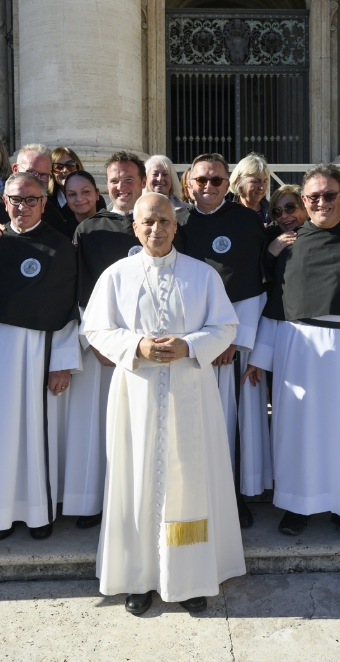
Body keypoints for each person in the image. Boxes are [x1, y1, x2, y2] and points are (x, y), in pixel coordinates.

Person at [84, 192, 244, 616]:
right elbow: (96, 328)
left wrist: (189, 345)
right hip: (135, 395)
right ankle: (138, 578)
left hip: (189, 391)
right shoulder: (116, 275)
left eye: (165, 222)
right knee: (136, 480)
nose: (157, 229)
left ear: (176, 226)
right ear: (135, 227)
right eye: (148, 222)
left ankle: (189, 577)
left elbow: (226, 326)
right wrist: (136, 345)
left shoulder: (202, 274)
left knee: (188, 481)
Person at [246, 163, 340, 542]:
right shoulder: (287, 245)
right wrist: (260, 357)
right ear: (304, 200)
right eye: (313, 197)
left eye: (329, 195)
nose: (321, 202)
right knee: (298, 431)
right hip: (297, 349)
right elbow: (275, 303)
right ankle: (297, 504)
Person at [0, 172, 81, 541]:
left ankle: (38, 514)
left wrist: (62, 362)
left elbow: (69, 308)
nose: (23, 206)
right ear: (5, 202)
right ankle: (0, 516)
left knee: (37, 433)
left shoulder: (61, 246)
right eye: (15, 199)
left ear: (44, 203)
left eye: (32, 199)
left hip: (40, 351)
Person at [57, 152, 155, 530]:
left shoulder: (162, 222)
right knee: (99, 428)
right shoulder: (89, 229)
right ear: (106, 186)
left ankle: (141, 504)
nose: (121, 186)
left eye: (128, 179)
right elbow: (80, 291)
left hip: (150, 346)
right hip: (104, 349)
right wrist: (96, 342)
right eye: (114, 180)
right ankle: (95, 502)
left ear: (143, 181)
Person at [180, 153, 271, 527]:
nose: (208, 187)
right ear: (189, 183)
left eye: (216, 180)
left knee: (230, 421)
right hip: (189, 342)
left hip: (229, 344)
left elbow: (252, 283)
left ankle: (233, 496)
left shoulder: (246, 221)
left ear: (227, 183)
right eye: (201, 180)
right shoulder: (178, 222)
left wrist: (231, 340)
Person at [56, 170, 101, 238]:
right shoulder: (59, 235)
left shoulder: (114, 226)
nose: (79, 199)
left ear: (97, 194)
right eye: (72, 194)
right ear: (66, 199)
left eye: (85, 192)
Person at [229, 152, 271, 223]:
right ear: (239, 181)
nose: (262, 187)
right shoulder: (227, 214)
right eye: (256, 181)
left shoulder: (274, 213)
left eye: (265, 181)